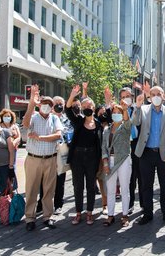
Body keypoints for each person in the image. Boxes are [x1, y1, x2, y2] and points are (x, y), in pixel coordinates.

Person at [132, 84, 165, 226]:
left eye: (159, 94)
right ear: (149, 97)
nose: (156, 97)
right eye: (153, 94)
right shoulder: (143, 110)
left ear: (163, 96)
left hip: (164, 155)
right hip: (146, 153)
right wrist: (138, 107)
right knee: (146, 185)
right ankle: (147, 213)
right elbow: (135, 122)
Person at [22, 86, 63, 231]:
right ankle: (30, 218)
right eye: (43, 103)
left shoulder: (54, 119)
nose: (46, 106)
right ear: (40, 105)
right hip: (34, 159)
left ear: (52, 108)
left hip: (50, 159)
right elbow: (25, 124)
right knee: (31, 189)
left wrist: (40, 137)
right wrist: (31, 104)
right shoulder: (33, 117)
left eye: (49, 104)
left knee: (49, 190)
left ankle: (47, 216)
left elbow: (58, 135)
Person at [66, 85, 103, 225]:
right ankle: (78, 212)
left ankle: (89, 212)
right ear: (81, 108)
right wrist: (72, 95)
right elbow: (68, 109)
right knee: (78, 185)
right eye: (84, 105)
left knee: (91, 186)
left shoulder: (99, 124)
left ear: (93, 108)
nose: (87, 107)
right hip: (77, 157)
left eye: (90, 105)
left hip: (92, 158)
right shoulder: (78, 121)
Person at [37, 96, 70, 215]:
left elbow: (68, 133)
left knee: (60, 180)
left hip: (61, 153)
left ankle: (58, 204)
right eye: (56, 103)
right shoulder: (47, 118)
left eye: (60, 103)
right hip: (47, 152)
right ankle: (41, 204)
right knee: (44, 180)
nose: (58, 105)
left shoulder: (67, 119)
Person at [101, 102, 132, 227]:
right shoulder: (107, 129)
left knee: (124, 189)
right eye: (114, 112)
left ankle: (125, 215)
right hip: (110, 160)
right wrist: (105, 162)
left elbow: (128, 122)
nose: (116, 114)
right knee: (111, 189)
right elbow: (104, 147)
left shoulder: (125, 127)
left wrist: (125, 110)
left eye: (119, 113)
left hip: (123, 159)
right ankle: (110, 215)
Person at [119, 87, 143, 215]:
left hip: (137, 144)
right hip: (124, 146)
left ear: (132, 97)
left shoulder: (138, 108)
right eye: (123, 96)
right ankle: (130, 204)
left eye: (128, 96)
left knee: (141, 175)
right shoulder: (117, 110)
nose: (125, 98)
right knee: (130, 177)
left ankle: (144, 204)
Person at [0, 109, 21, 190]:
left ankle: (13, 187)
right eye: (5, 116)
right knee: (3, 168)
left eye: (8, 116)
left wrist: (15, 142)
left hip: (13, 150)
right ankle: (3, 188)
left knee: (12, 168)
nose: (7, 117)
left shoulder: (14, 126)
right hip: (2, 151)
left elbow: (19, 137)